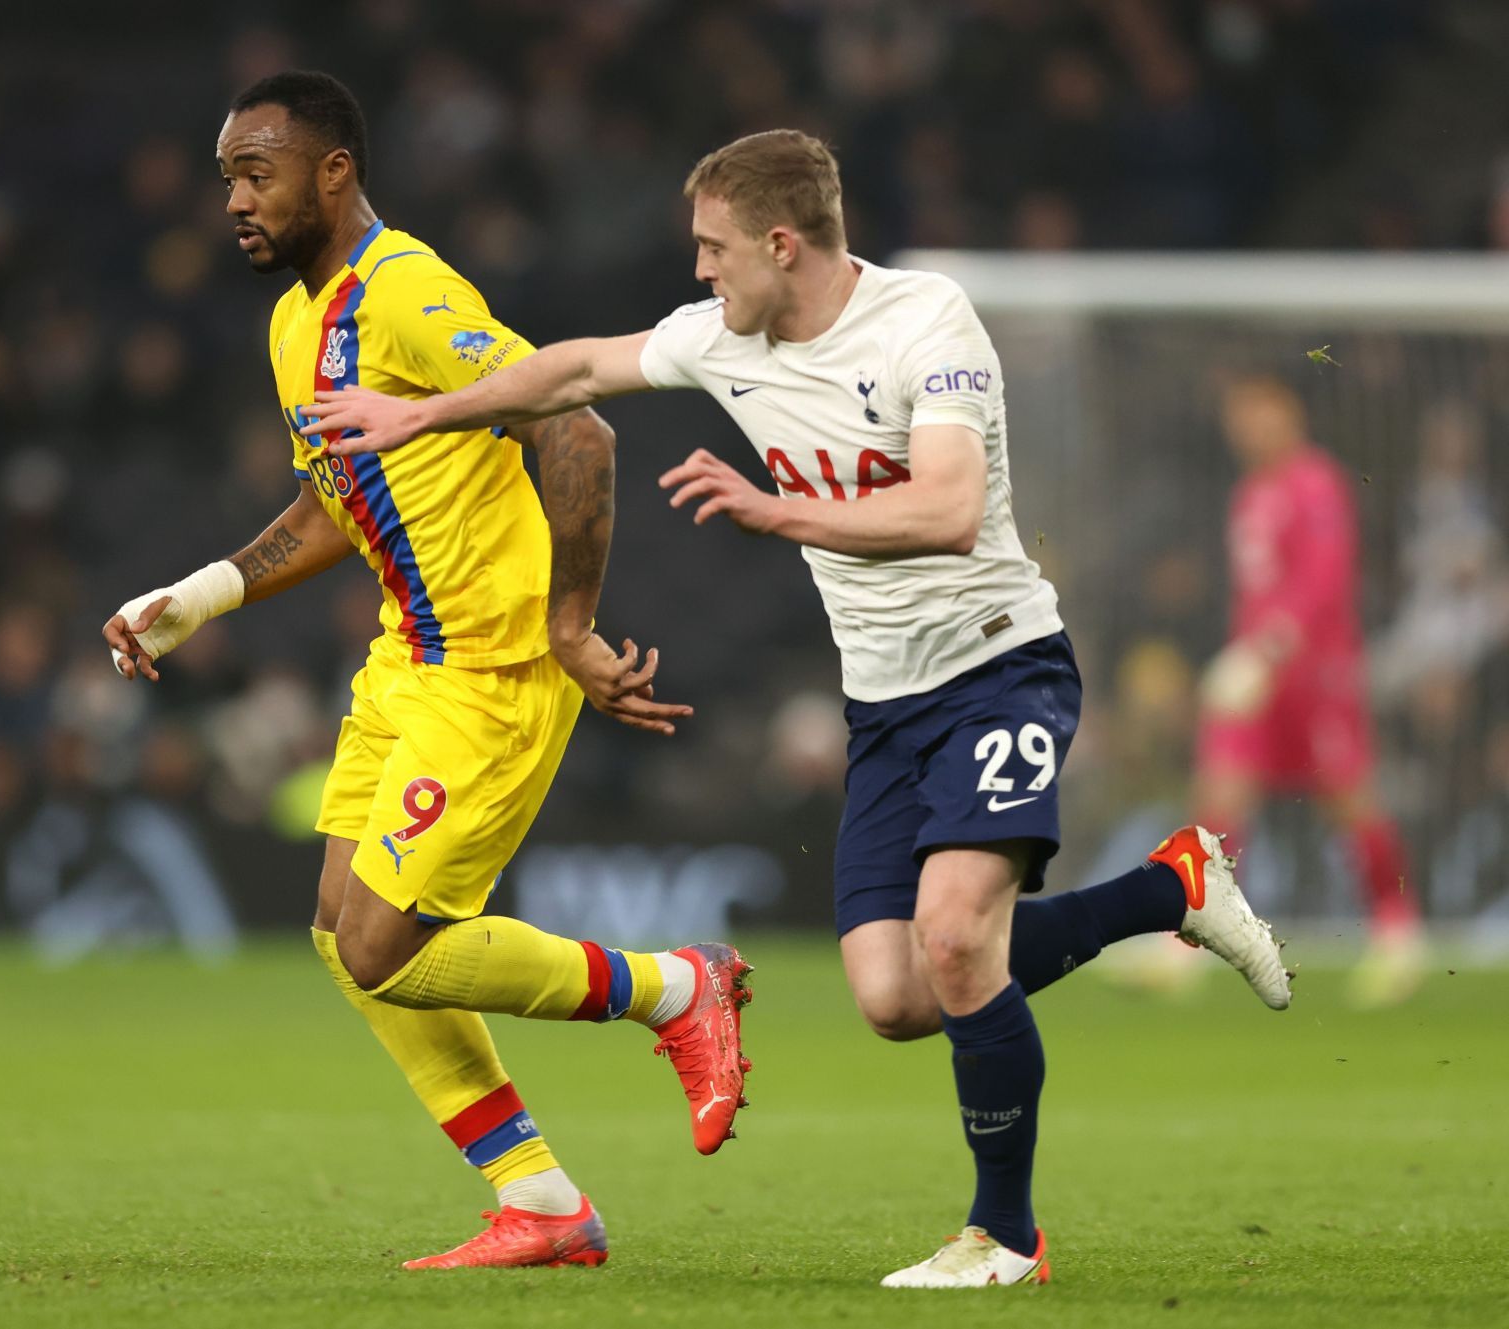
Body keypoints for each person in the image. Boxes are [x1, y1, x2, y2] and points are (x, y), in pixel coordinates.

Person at [301, 128, 1293, 1289]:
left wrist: (779, 513)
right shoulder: (725, 338)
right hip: (883, 707)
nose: (702, 274)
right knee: (897, 996)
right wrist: (427, 413)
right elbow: (569, 372)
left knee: (961, 937)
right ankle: (1170, 887)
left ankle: (1006, 1239)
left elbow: (949, 508)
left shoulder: (930, 322)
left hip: (998, 666)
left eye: (716, 249)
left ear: (784, 243)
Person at [102, 72, 751, 1272]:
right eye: (227, 178)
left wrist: (569, 623)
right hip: (408, 658)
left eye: (259, 173)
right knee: (339, 935)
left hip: (498, 664)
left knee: (382, 946)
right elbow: (334, 503)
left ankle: (674, 987)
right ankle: (543, 1204)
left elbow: (576, 424)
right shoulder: (298, 324)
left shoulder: (408, 290)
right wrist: (197, 597)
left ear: (333, 172)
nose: (235, 201)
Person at [1198, 375, 1424, 1006]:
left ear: (1288, 409)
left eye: (1259, 410)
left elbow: (1324, 580)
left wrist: (1268, 649)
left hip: (1314, 675)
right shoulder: (1250, 493)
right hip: (1259, 676)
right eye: (1238, 416)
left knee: (1350, 800)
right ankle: (1182, 945)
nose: (1248, 427)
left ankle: (1398, 933)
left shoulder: (1315, 483)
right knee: (1221, 793)